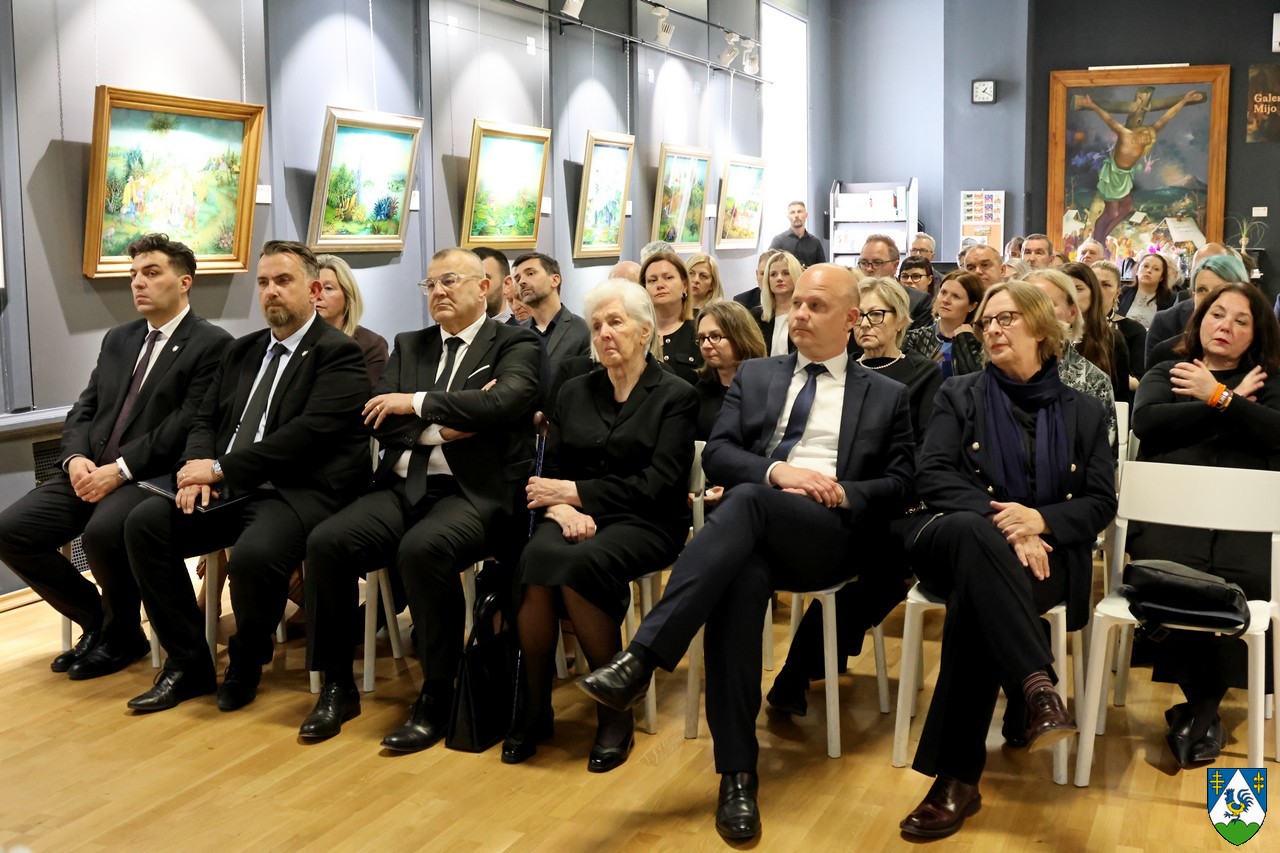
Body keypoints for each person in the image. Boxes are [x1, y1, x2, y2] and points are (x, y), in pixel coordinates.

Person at [576, 264, 915, 841]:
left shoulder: (886, 394)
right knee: (739, 578)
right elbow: (720, 454)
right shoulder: (758, 375)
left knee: (748, 502)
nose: (799, 314)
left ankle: (642, 658)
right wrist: (780, 472)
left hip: (830, 536)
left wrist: (836, 491)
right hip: (753, 531)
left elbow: (903, 484)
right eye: (797, 304)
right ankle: (737, 776)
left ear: (851, 319)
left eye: (816, 306)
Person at [898, 281, 1116, 839]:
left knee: (977, 602)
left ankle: (957, 778)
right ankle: (1036, 685)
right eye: (986, 322)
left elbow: (1100, 502)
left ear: (1041, 327)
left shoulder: (1086, 411)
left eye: (1006, 318)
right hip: (953, 538)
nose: (992, 329)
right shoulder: (959, 394)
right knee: (977, 538)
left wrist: (1040, 521)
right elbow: (933, 475)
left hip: (1043, 556)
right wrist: (1008, 525)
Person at [298, 248, 540, 746]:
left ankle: (438, 691)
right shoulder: (411, 345)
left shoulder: (516, 343)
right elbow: (378, 419)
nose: (438, 291)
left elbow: (503, 402)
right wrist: (444, 430)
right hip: (403, 485)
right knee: (326, 541)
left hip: (476, 493)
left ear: (483, 287)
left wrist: (415, 402)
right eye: (430, 284)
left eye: (450, 280)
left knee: (422, 549)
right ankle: (338, 685)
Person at [122, 240, 371, 713]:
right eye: (263, 282)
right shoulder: (242, 351)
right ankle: (188, 663)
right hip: (229, 485)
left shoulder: (338, 353)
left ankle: (246, 662)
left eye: (283, 281)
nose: (271, 291)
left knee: (254, 557)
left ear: (313, 290)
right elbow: (203, 418)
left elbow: (306, 437)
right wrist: (198, 469)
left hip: (293, 489)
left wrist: (219, 468)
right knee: (144, 524)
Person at [0, 234, 231, 680]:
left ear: (184, 282)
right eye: (133, 274)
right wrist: (74, 459)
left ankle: (120, 634)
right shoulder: (119, 338)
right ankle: (102, 623)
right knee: (11, 531)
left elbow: (185, 423)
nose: (138, 283)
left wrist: (120, 470)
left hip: (149, 474)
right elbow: (85, 407)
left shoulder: (212, 343)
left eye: (151, 273)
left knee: (102, 532)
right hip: (90, 469)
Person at [504, 278, 697, 772]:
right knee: (535, 558)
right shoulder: (574, 391)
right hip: (572, 515)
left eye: (616, 322)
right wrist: (562, 508)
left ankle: (614, 710)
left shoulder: (675, 395)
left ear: (645, 331)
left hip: (648, 521)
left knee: (577, 565)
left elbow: (659, 484)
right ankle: (533, 705)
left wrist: (577, 494)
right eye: (596, 326)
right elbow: (549, 474)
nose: (604, 333)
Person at [769, 277, 943, 714]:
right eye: (859, 315)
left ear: (901, 321)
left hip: (897, 502)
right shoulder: (839, 371)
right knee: (862, 563)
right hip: (836, 501)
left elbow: (923, 452)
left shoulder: (921, 373)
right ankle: (817, 661)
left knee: (884, 568)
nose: (865, 323)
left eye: (876, 314)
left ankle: (798, 670)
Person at [1129, 282, 1280, 768]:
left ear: (1257, 333)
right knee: (1176, 578)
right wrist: (1232, 406)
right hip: (1171, 516)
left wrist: (1217, 397)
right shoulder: (1168, 370)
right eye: (1218, 314)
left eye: (1241, 320)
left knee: (1249, 584)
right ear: (1200, 320)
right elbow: (1150, 424)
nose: (1225, 326)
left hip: (1248, 524)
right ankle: (1202, 712)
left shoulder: (1271, 381)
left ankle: (1198, 713)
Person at [1076, 89, 1204, 243]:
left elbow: (1165, 119)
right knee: (1111, 212)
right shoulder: (1126, 135)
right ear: (1140, 133)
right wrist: (1092, 105)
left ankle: (1101, 239)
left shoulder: (1148, 135)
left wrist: (1184, 100)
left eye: (1150, 139)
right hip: (1113, 175)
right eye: (1147, 137)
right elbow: (1109, 119)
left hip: (1125, 175)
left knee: (1127, 208)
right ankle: (1097, 241)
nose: (1148, 140)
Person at [1026, 270, 1119, 448]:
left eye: (1048, 303)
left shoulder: (1093, 380)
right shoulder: (996, 370)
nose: (1036, 312)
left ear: (1072, 313)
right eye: (1028, 304)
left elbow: (1102, 455)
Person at [1147, 253, 1251, 369]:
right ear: (1193, 296)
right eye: (1202, 290)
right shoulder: (1167, 352)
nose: (1209, 298)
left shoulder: (1258, 355)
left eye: (1220, 290)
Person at [693, 300, 767, 441]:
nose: (706, 345)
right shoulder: (700, 392)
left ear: (740, 338)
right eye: (702, 338)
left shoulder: (767, 389)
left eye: (715, 336)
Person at [1059, 262, 1133, 403]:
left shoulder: (1111, 338)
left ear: (1093, 292)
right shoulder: (1045, 336)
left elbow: (1120, 397)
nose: (1070, 296)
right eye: (1064, 290)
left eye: (1078, 288)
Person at [513, 252, 591, 381]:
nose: (521, 282)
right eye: (517, 279)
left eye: (530, 273)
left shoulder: (583, 330)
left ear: (555, 280)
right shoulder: (515, 334)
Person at [314, 254, 390, 386]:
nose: (318, 296)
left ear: (347, 296)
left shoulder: (371, 345)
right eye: (313, 289)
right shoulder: (297, 342)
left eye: (328, 288)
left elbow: (375, 396)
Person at [904, 270, 984, 379]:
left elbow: (975, 380)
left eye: (956, 296)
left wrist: (965, 340)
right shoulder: (914, 338)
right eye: (943, 292)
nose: (946, 300)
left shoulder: (981, 343)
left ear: (972, 306)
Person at [641, 251, 702, 383]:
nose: (660, 285)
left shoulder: (701, 327)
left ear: (685, 286)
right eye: (652, 280)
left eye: (668, 278)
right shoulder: (636, 331)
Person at [860, 235, 931, 329]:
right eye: (864, 263)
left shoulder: (917, 300)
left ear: (895, 265)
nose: (869, 269)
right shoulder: (853, 297)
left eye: (877, 263)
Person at [1093, 259, 1147, 380]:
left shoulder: (1134, 330)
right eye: (1093, 283)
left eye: (1106, 285)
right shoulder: (1070, 324)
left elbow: (1139, 379)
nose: (1098, 290)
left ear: (1117, 293)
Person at [753, 250, 803, 357]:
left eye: (786, 273)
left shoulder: (805, 314)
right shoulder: (757, 316)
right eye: (773, 274)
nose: (779, 278)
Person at [1117, 251, 1176, 329]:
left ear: (1161, 277)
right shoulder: (1123, 292)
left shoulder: (1171, 299)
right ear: (1137, 271)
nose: (1149, 270)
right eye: (1145, 266)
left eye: (1156, 269)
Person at [473, 245, 522, 325]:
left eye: (484, 279)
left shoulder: (520, 333)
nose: (473, 287)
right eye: (467, 280)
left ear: (506, 284)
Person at [768, 200, 825, 267]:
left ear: (806, 215)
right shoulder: (778, 241)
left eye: (799, 211)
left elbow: (822, 268)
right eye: (792, 212)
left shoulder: (815, 242)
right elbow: (769, 266)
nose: (796, 215)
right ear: (788, 216)